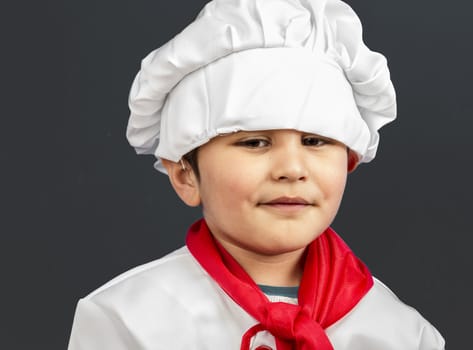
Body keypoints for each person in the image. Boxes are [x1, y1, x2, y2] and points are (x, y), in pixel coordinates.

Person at [68, 0, 445, 349]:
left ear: (350, 158)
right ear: (185, 175)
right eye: (255, 143)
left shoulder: (402, 333)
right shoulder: (127, 321)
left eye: (315, 140)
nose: (292, 169)